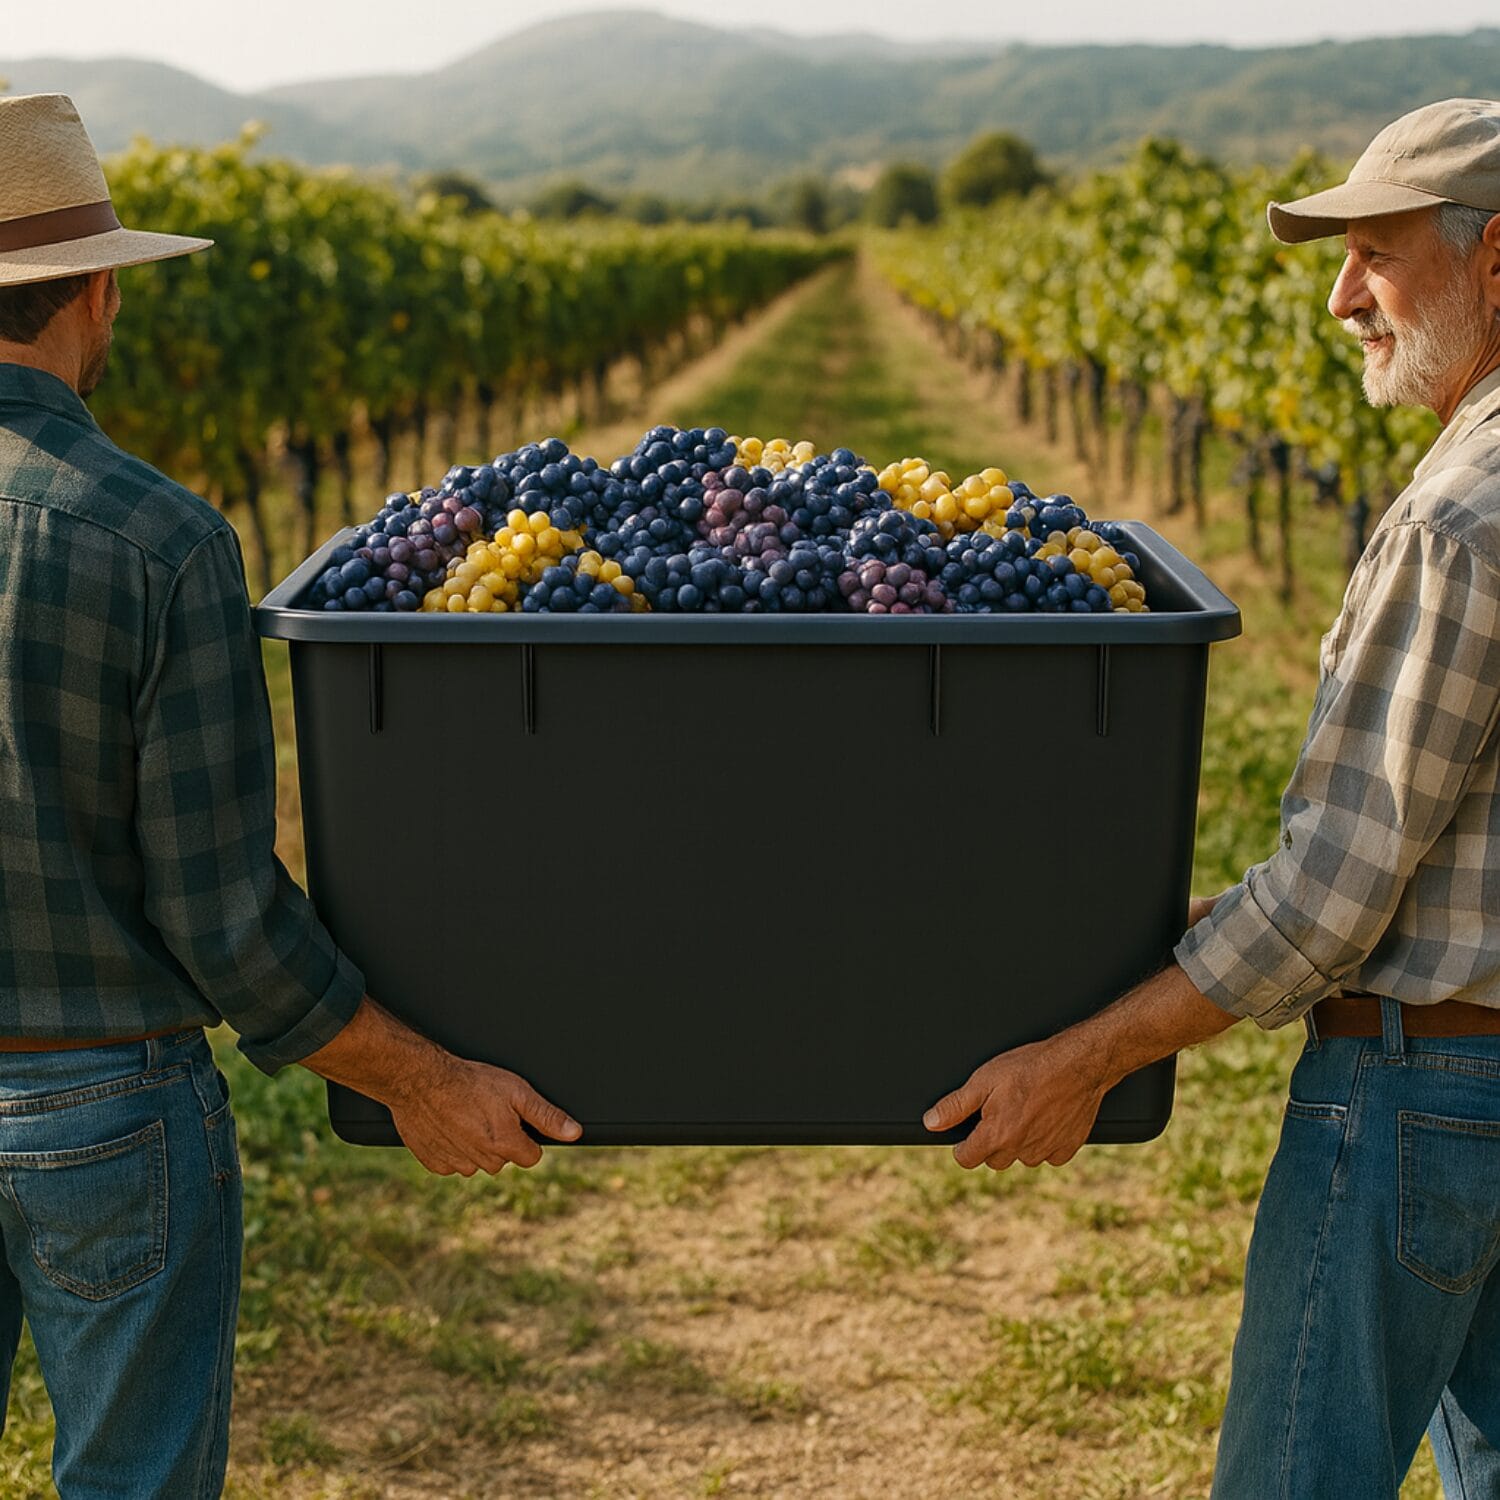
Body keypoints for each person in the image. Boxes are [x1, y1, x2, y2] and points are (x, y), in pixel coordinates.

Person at [0, 93, 580, 1498]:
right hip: (106, 1117)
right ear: (100, 294)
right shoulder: (158, 539)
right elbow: (222, 918)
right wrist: (423, 1084)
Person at [924, 97, 1500, 1499]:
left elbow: (1329, 905)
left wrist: (1087, 1059)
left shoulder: (1457, 517)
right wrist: (1195, 931)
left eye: (1374, 251)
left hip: (1425, 1105)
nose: (1341, 296)